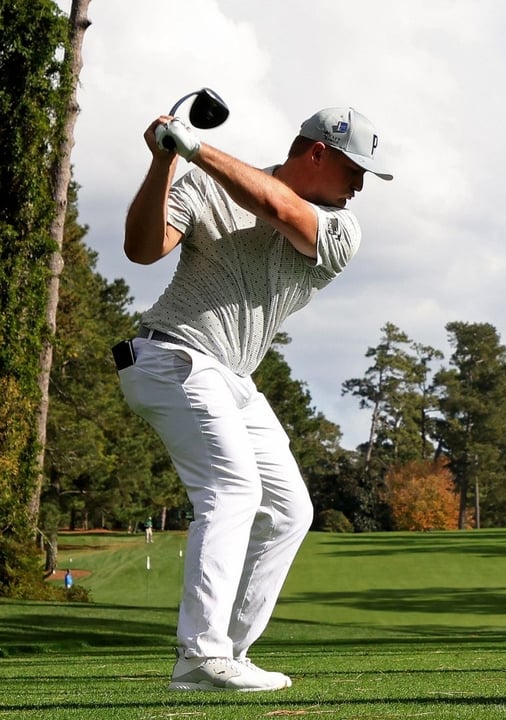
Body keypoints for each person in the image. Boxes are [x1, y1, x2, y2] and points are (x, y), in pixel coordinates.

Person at [114, 105, 393, 692]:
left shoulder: (343, 229)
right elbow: (142, 250)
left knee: (291, 511)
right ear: (317, 153)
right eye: (355, 170)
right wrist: (163, 162)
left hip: (232, 378)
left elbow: (275, 206)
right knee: (233, 489)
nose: (361, 185)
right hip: (173, 356)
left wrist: (190, 146)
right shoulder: (201, 184)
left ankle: (227, 653)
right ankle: (201, 653)